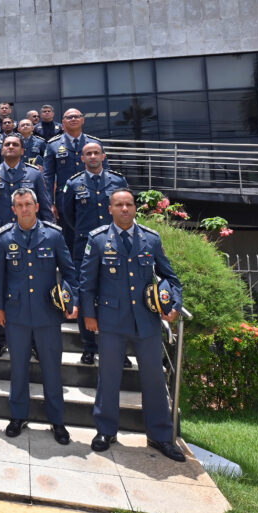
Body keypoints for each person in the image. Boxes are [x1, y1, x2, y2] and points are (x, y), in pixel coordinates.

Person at [80, 188, 186, 462]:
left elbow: (171, 278)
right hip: (111, 321)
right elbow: (87, 282)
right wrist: (89, 316)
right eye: (119, 205)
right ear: (110, 209)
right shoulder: (98, 239)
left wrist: (173, 305)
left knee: (154, 379)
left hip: (146, 322)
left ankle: (161, 435)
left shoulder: (151, 239)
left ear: (135, 208)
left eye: (129, 204)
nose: (125, 209)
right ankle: (106, 431)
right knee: (109, 378)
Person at [0, 187, 78, 442]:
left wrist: (70, 299)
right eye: (20, 205)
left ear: (37, 206)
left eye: (29, 204)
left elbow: (70, 272)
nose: (25, 209)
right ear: (13, 209)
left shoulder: (53, 235)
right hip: (16, 314)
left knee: (52, 369)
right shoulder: (4, 237)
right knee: (18, 369)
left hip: (47, 315)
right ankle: (18, 416)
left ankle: (57, 421)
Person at [0, 135, 54, 357]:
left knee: (32, 290)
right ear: (1, 150)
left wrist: (49, 235)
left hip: (32, 241)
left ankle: (32, 341)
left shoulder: (34, 174)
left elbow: (45, 207)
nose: (10, 147)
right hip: (1, 242)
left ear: (23, 150)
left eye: (15, 145)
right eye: (7, 144)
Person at [60, 142, 128, 365]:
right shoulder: (73, 183)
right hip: (85, 248)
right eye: (88, 153)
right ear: (82, 158)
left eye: (96, 153)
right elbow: (68, 215)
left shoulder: (118, 181)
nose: (92, 156)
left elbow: (126, 211)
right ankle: (89, 347)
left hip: (116, 248)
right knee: (84, 295)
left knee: (118, 296)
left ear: (103, 156)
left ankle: (119, 350)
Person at [43, 109, 107, 242]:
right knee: (68, 239)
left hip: (93, 198)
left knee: (98, 237)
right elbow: (48, 177)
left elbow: (106, 172)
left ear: (82, 120)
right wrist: (50, 203)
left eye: (77, 116)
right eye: (69, 117)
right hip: (65, 201)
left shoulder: (94, 143)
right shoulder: (53, 145)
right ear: (63, 122)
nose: (73, 119)